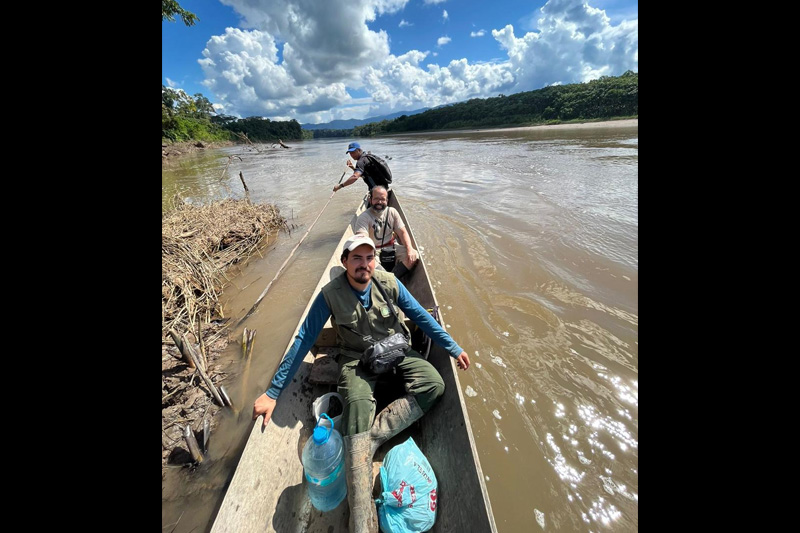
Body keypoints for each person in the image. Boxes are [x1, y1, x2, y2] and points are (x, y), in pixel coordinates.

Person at [253, 233, 470, 533]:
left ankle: (373, 437)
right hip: (357, 361)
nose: (363, 264)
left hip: (395, 350)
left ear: (374, 262)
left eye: (369, 258)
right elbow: (304, 339)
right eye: (356, 258)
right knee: (355, 407)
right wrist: (274, 392)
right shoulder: (330, 294)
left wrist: (453, 348)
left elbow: (420, 316)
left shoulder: (389, 283)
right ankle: (360, 518)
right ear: (344, 262)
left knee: (434, 384)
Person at [354, 185, 419, 278]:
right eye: (376, 199)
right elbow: (362, 238)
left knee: (414, 255)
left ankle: (389, 279)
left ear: (387, 201)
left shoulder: (392, 212)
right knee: (366, 263)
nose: (379, 202)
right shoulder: (364, 217)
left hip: (392, 247)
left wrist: (410, 249)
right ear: (370, 200)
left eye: (383, 199)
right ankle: (389, 279)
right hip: (373, 251)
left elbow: (402, 232)